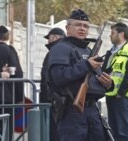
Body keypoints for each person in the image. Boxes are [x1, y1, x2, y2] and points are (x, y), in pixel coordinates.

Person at [48, 9, 113, 141]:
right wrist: (86, 65)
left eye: (85, 26)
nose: (82, 29)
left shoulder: (88, 50)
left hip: (92, 110)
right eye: (78, 25)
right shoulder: (61, 48)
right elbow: (59, 77)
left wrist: (108, 84)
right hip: (72, 111)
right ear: (67, 28)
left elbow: (94, 79)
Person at [0, 25, 24, 139]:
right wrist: (20, 96)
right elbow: (18, 73)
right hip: (7, 95)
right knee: (6, 128)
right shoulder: (9, 50)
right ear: (7, 37)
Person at [103, 23, 128, 141]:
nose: (110, 36)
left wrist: (120, 93)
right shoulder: (111, 52)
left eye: (113, 33)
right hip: (111, 95)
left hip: (124, 97)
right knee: (113, 132)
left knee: (124, 132)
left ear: (121, 34)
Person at [40, 27, 65, 141]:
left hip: (53, 100)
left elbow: (46, 77)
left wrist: (47, 98)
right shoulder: (66, 49)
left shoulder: (54, 51)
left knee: (53, 131)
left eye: (49, 38)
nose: (48, 41)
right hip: (60, 99)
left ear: (55, 37)